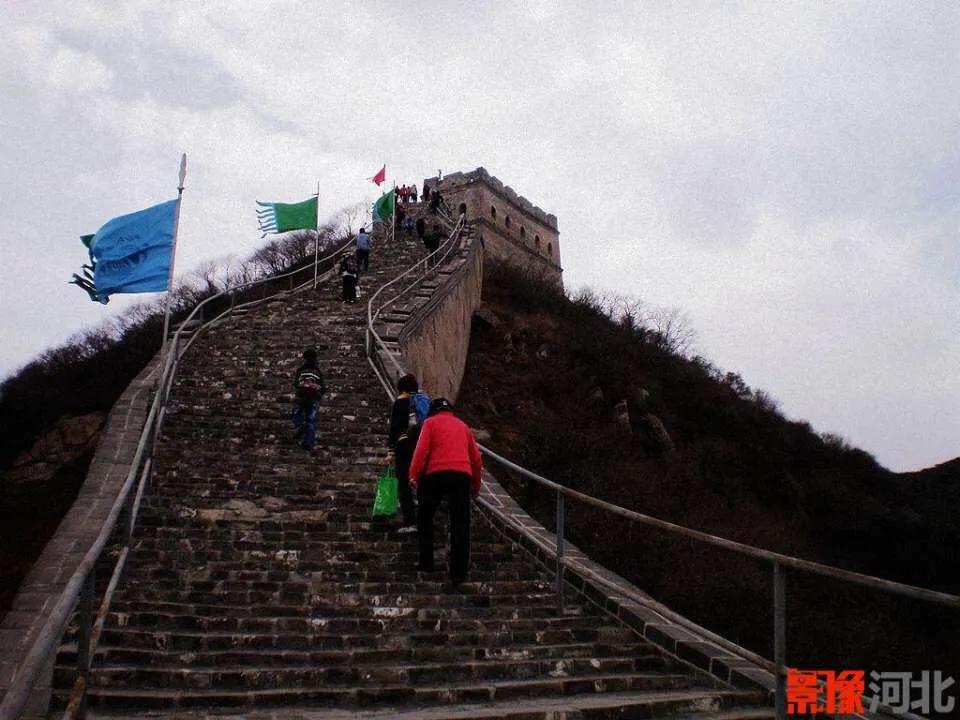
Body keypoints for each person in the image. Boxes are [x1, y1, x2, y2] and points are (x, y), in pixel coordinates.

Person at [409, 398, 483, 586]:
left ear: (433, 410)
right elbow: (476, 458)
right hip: (461, 475)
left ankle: (426, 563)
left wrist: (413, 476)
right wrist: (475, 487)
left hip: (435, 473)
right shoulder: (463, 426)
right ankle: (458, 572)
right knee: (461, 524)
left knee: (425, 517)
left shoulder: (430, 423)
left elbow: (421, 451)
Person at [387, 374, 431, 532]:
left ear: (401, 389)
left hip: (404, 445)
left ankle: (410, 521)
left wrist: (390, 451)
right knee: (422, 480)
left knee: (404, 482)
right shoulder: (424, 401)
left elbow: (394, 428)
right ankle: (425, 521)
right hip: (422, 445)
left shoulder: (400, 402)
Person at [292, 349, 325, 452]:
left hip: (304, 397)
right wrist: (313, 386)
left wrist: (311, 385)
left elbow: (296, 384)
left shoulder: (303, 370)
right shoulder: (317, 371)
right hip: (308, 397)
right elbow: (323, 388)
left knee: (298, 416)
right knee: (309, 420)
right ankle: (307, 440)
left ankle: (306, 436)